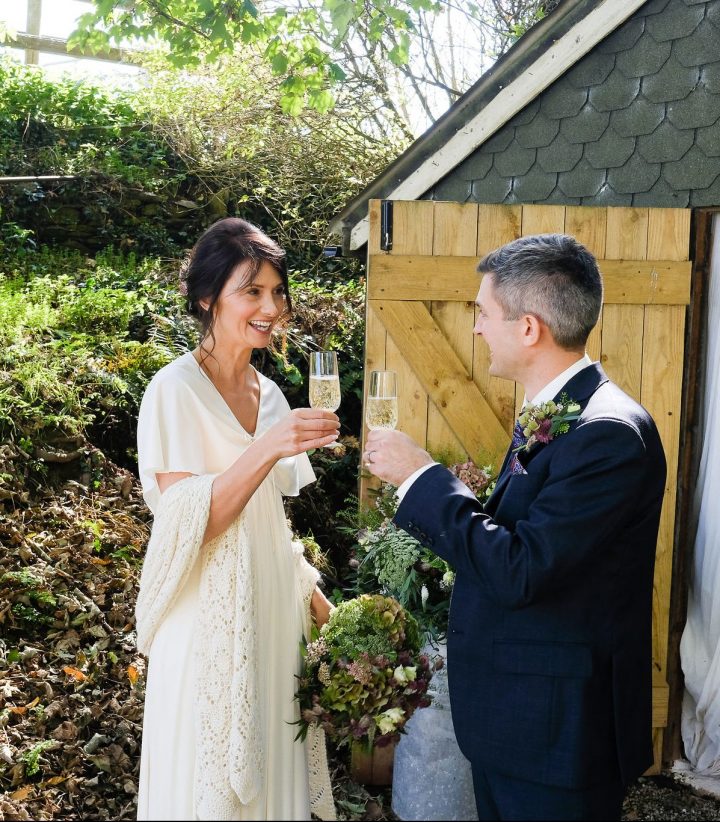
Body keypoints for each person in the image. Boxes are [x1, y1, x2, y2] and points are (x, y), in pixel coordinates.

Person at [363, 233, 666, 821]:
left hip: (558, 735)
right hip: (519, 726)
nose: (476, 328)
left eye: (483, 313)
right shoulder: (561, 414)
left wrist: (421, 478)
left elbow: (522, 568)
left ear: (529, 328)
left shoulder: (607, 434)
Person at [134, 217, 339, 821]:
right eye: (251, 291)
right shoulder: (172, 390)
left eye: (276, 292)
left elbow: (269, 524)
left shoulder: (271, 395)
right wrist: (268, 447)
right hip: (204, 625)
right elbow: (190, 524)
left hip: (275, 616)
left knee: (276, 769)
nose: (270, 306)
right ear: (207, 298)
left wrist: (313, 594)